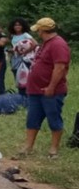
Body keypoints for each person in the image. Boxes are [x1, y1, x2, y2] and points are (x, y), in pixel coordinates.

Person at [18, 18, 70, 159]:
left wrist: (51, 86)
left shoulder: (58, 44)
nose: (38, 33)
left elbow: (60, 67)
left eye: (39, 30)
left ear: (43, 30)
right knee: (32, 118)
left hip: (50, 90)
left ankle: (53, 149)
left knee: (54, 118)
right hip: (35, 89)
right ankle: (28, 146)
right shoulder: (46, 44)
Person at [8, 17, 38, 95]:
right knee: (17, 77)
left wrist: (25, 52)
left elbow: (35, 44)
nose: (17, 27)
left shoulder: (25, 35)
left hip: (25, 59)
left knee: (25, 77)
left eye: (19, 25)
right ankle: (21, 95)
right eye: (15, 25)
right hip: (15, 58)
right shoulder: (13, 36)